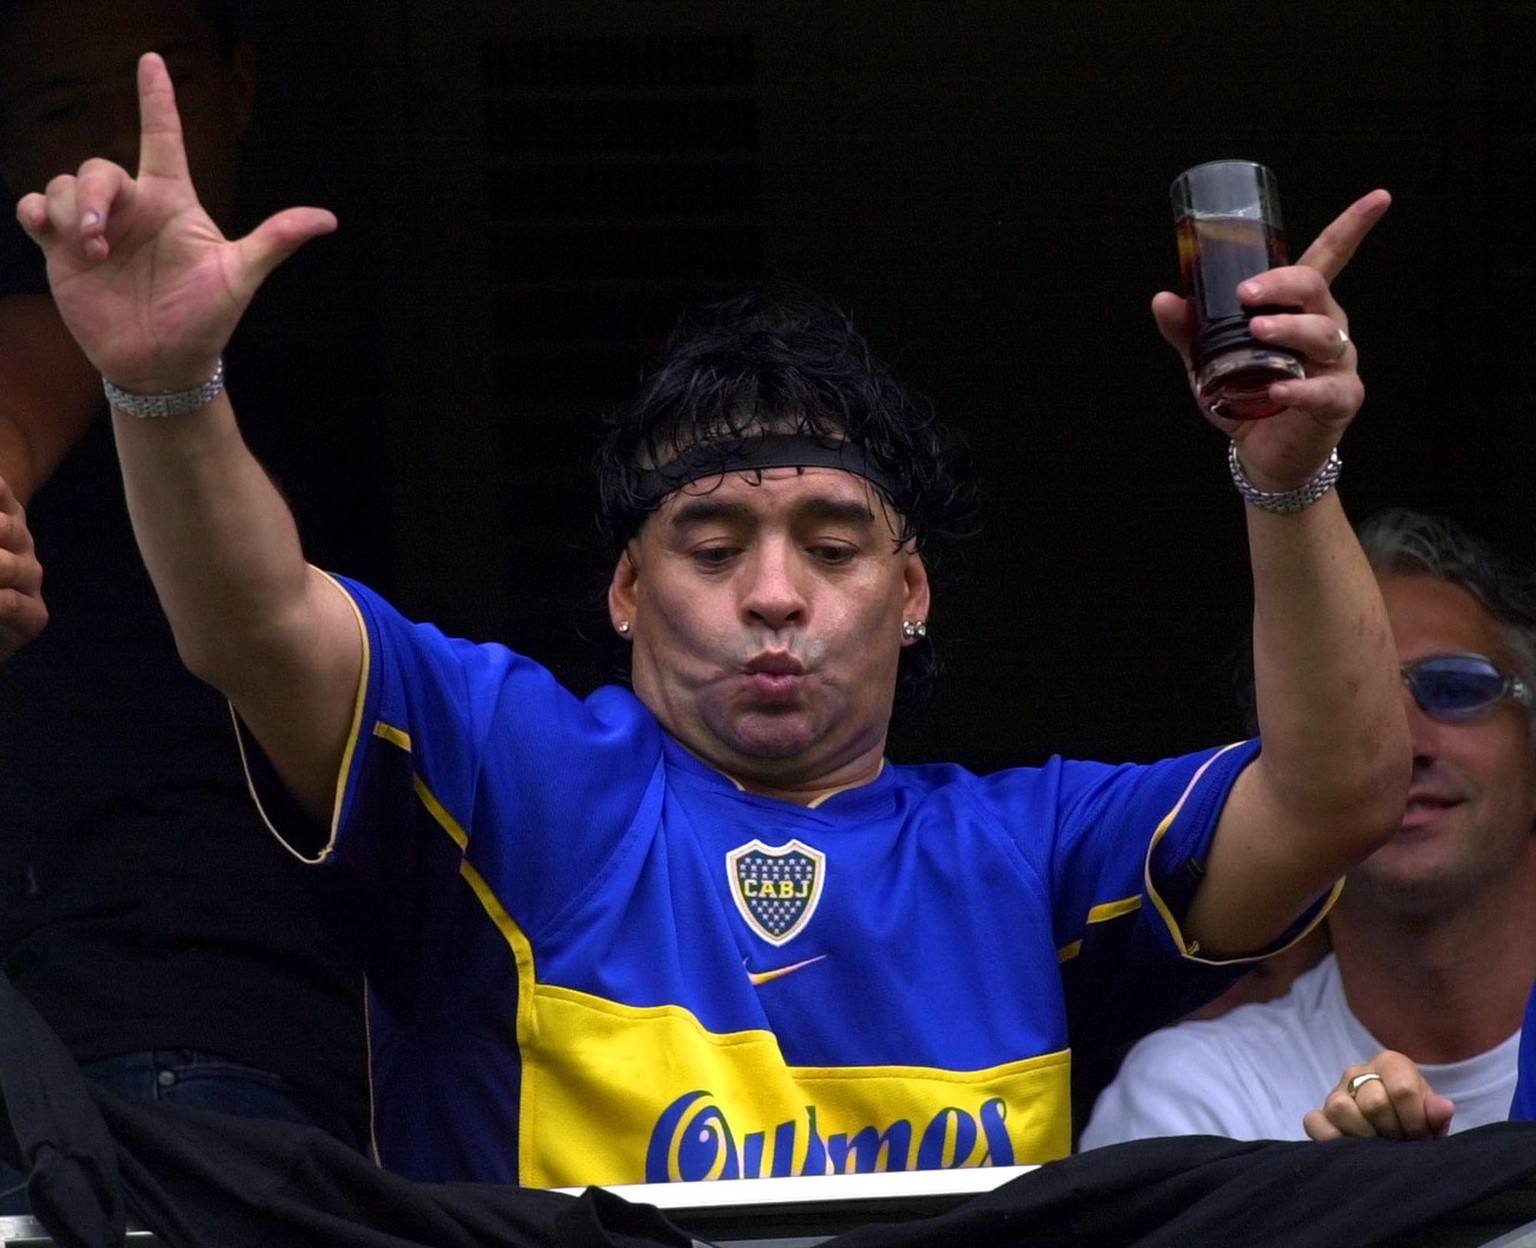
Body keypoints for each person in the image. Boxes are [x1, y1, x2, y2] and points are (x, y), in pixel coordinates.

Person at [16, 52, 1412, 1188]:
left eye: (834, 546)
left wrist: (1288, 477)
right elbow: (255, 625)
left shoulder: (1027, 853)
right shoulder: (519, 773)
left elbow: (1340, 794)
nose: (774, 594)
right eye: (712, 544)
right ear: (627, 592)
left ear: (912, 594)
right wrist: (167, 391)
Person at [0, 0, 377, 1206]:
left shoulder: (343, 369)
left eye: (157, 88)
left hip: (321, 1044)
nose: (119, 146)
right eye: (65, 107)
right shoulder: (58, 333)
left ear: (241, 89)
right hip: (129, 1040)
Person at [1080, 509, 1536, 1147]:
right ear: (1281, 778)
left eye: (1456, 688)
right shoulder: (1195, 1096)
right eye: (1352, 701)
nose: (1405, 747)